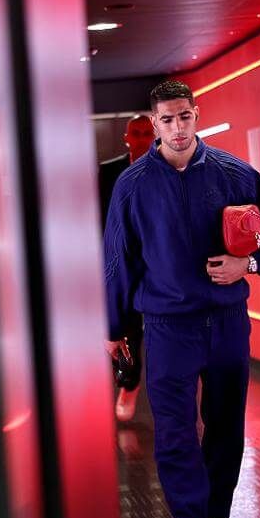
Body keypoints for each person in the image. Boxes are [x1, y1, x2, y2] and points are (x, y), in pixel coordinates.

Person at [103, 80, 260, 518]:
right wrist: (115, 328)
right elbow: (117, 262)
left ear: (197, 115)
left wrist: (250, 264)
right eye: (166, 120)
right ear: (154, 124)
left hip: (227, 321)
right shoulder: (132, 186)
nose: (176, 128)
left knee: (226, 426)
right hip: (167, 326)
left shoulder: (234, 173)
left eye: (183, 117)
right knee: (174, 433)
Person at [98, 115, 154, 422]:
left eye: (148, 133)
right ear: (126, 137)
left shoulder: (168, 168)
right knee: (125, 328)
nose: (143, 138)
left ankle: (136, 383)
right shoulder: (107, 172)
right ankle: (128, 382)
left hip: (158, 262)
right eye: (137, 133)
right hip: (121, 262)